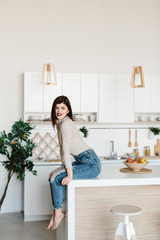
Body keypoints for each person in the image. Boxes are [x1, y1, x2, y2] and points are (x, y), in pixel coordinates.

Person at [47, 95, 101, 230]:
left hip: (91, 163)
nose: (59, 110)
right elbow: (62, 150)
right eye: (57, 107)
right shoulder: (61, 124)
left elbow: (66, 152)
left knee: (56, 177)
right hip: (83, 160)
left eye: (62, 108)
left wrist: (68, 175)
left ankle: (58, 213)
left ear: (68, 111)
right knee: (53, 175)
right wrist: (62, 168)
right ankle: (57, 212)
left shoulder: (66, 124)